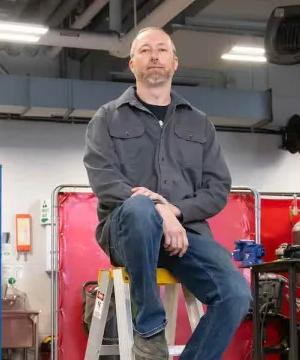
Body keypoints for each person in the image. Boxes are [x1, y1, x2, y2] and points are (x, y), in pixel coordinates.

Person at [82, 27, 251, 360]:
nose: (154, 56)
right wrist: (157, 207)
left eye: (162, 50)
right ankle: (149, 329)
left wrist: (176, 212)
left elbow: (217, 187)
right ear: (132, 64)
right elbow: (104, 179)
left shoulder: (199, 124)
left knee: (236, 293)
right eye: (145, 50)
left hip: (184, 236)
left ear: (175, 63)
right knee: (140, 209)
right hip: (126, 232)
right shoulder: (106, 118)